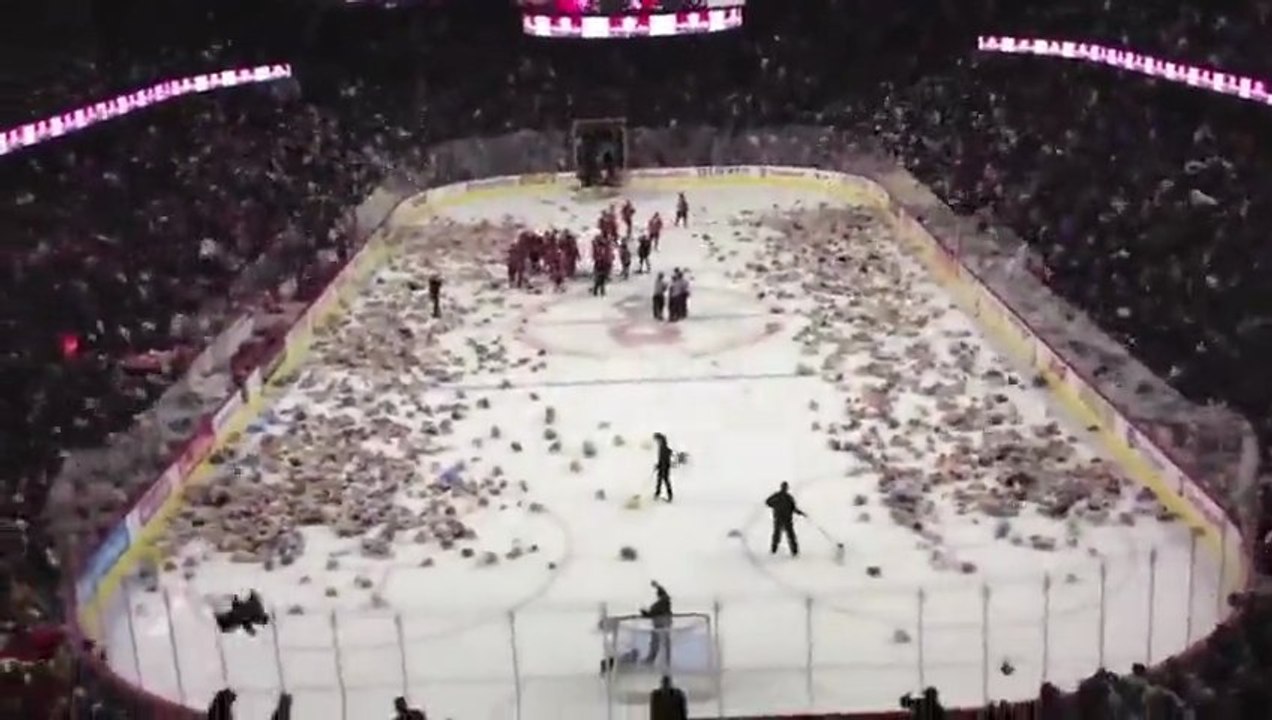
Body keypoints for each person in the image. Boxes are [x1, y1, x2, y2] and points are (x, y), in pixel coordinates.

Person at [765, 482, 805, 556]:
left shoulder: (787, 497)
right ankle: (775, 550)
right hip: (781, 518)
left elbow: (793, 508)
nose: (785, 489)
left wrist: (800, 513)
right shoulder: (781, 496)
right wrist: (775, 505)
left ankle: (793, 551)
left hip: (785, 519)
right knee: (780, 535)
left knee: (787, 535)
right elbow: (767, 502)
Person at [640, 581, 673, 665]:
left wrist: (644, 612)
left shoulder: (662, 602)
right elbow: (651, 614)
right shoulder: (663, 602)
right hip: (660, 625)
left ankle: (655, 660)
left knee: (660, 643)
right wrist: (657, 585)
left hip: (661, 625)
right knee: (658, 643)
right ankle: (657, 660)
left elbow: (651, 614)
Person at [653, 432, 674, 501]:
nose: (657, 442)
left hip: (665, 467)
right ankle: (657, 494)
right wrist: (658, 465)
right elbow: (661, 458)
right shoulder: (661, 446)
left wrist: (662, 467)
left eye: (657, 440)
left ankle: (669, 495)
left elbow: (665, 458)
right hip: (662, 466)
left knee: (665, 480)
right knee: (660, 480)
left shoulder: (663, 447)